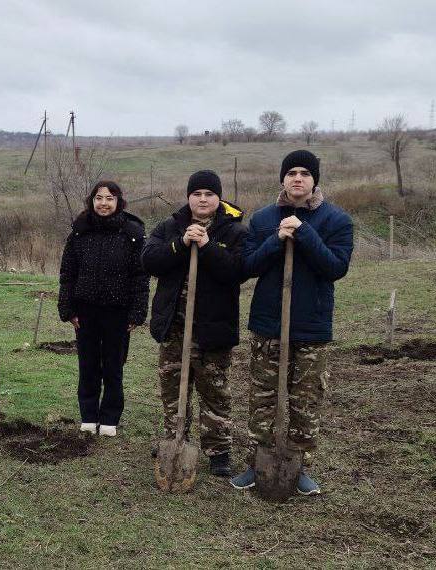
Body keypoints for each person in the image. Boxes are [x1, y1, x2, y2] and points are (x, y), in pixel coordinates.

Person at [230, 150, 353, 495]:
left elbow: (335, 268)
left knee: (306, 399)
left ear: (315, 180)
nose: (298, 178)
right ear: (282, 179)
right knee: (263, 396)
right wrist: (276, 239)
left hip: (311, 325)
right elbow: (247, 266)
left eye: (305, 173)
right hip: (268, 322)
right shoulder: (264, 218)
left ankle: (297, 466)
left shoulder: (336, 220)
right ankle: (258, 462)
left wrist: (304, 233)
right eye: (291, 173)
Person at [142, 170, 247, 476]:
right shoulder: (170, 226)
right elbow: (149, 261)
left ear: (219, 198)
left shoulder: (234, 231)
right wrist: (180, 243)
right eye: (197, 194)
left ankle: (218, 451)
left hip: (213, 327)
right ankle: (175, 439)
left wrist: (207, 246)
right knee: (173, 388)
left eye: (209, 194)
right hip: (174, 327)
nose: (203, 199)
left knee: (214, 390)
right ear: (189, 197)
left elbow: (237, 271)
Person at [57, 181, 148, 437]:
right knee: (87, 365)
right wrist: (68, 308)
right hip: (85, 311)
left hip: (117, 312)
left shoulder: (132, 233)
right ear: (92, 201)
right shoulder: (79, 232)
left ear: (119, 201)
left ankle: (109, 418)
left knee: (113, 365)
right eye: (99, 198)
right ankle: (88, 416)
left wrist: (137, 312)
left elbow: (140, 276)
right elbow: (68, 273)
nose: (104, 203)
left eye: (109, 198)